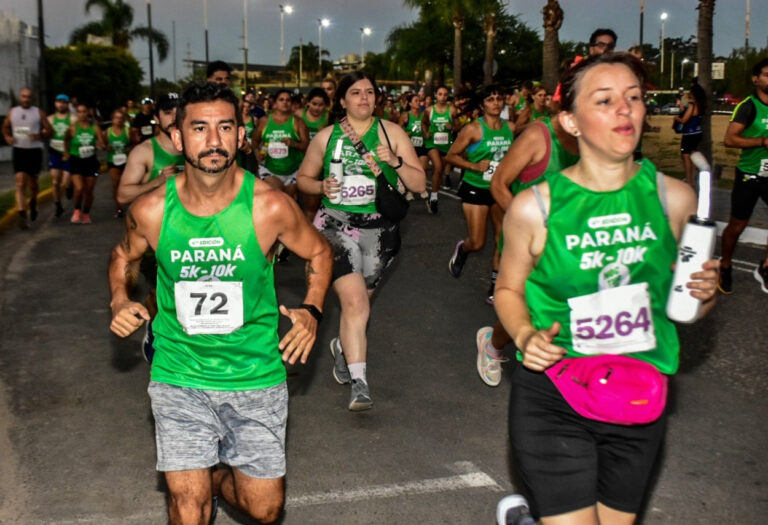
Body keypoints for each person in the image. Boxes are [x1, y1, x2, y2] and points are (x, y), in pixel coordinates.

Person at [494, 52, 718, 524]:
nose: (626, 109)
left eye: (634, 98)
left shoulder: (675, 199)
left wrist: (703, 294)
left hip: (639, 394)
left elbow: (685, 309)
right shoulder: (536, 208)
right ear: (570, 122)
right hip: (556, 391)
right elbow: (508, 289)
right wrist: (524, 336)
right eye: (606, 100)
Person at [108, 81, 333, 525]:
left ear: (241, 135)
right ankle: (192, 482)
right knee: (188, 510)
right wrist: (118, 298)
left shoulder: (269, 207)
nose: (213, 141)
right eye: (199, 128)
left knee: (264, 509)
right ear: (177, 138)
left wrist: (312, 309)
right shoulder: (152, 210)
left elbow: (320, 253)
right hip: (180, 373)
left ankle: (210, 477)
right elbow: (122, 256)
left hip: (255, 374)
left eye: (225, 127)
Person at [297, 71, 426, 410]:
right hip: (335, 226)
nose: (364, 98)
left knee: (361, 303)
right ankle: (360, 383)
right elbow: (303, 180)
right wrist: (321, 186)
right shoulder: (327, 138)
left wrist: (394, 161)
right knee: (356, 303)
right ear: (342, 100)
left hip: (379, 230)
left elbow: (419, 185)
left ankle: (342, 346)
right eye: (355, 93)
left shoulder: (391, 133)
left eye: (369, 92)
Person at [475, 103, 580, 386]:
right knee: (530, 308)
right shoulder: (538, 135)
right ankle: (493, 343)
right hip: (532, 238)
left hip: (573, 238)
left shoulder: (596, 139)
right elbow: (499, 184)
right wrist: (530, 223)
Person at [445, 86, 515, 295]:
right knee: (478, 242)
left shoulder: (510, 128)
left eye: (499, 98)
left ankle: (494, 287)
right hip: (476, 187)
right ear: (482, 105)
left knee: (502, 240)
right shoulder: (474, 129)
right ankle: (463, 249)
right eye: (491, 99)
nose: (496, 103)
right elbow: (451, 156)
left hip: (500, 189)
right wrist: (475, 166)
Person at [719, 57, 768, 294]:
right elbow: (729, 139)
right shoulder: (748, 106)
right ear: (756, 79)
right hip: (750, 175)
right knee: (737, 226)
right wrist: (762, 141)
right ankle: (725, 265)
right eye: (767, 74)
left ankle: (766, 267)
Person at [118, 93, 184, 206]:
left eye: (179, 112)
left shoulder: (197, 148)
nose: (174, 118)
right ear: (156, 118)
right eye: (168, 113)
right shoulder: (144, 151)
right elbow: (123, 196)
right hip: (158, 221)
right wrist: (158, 181)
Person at [1, 87, 52, 229]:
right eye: (23, 96)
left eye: (28, 96)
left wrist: (40, 135)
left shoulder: (38, 112)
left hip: (34, 151)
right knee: (20, 182)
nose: (26, 99)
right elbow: (5, 127)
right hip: (19, 151)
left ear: (32, 98)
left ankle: (34, 201)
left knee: (33, 184)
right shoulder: (13, 112)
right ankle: (22, 214)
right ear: (20, 97)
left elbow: (49, 130)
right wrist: (7, 136)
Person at [253, 88, 309, 199]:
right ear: (274, 103)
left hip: (293, 170)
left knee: (288, 200)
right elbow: (255, 140)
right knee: (277, 197)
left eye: (288, 100)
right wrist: (256, 152)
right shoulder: (264, 121)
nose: (285, 102)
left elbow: (306, 146)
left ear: (291, 103)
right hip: (271, 169)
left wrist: (293, 144)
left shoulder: (298, 122)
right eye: (281, 99)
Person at [63, 102, 105, 224]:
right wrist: (66, 153)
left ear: (88, 113)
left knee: (89, 190)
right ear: (76, 114)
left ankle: (86, 213)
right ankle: (77, 210)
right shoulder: (72, 128)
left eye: (84, 111)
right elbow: (65, 141)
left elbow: (101, 142)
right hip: (76, 160)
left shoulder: (95, 127)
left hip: (91, 161)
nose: (82, 114)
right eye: (79, 112)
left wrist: (100, 145)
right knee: (79, 187)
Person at [422, 85, 458, 214]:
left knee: (440, 170)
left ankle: (433, 194)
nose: (443, 97)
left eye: (445, 94)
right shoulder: (429, 110)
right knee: (437, 167)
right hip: (432, 144)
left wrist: (452, 126)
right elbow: (424, 123)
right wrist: (425, 132)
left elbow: (458, 125)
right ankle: (435, 198)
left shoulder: (452, 110)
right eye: (440, 94)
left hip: (446, 144)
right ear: (436, 95)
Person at [297, 87, 331, 221]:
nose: (317, 108)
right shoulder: (299, 115)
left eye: (321, 105)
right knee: (306, 205)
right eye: (314, 104)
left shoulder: (329, 117)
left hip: (323, 164)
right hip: (303, 163)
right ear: (308, 103)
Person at [674, 80, 706, 187]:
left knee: (686, 156)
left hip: (689, 134)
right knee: (692, 155)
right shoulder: (701, 105)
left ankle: (689, 179)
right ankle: (691, 178)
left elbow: (684, 120)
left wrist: (677, 118)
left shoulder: (692, 105)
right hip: (697, 132)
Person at [399, 92, 430, 195]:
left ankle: (417, 186)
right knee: (410, 169)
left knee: (423, 168)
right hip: (410, 148)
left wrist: (427, 133)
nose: (418, 103)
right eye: (416, 101)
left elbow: (428, 128)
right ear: (410, 104)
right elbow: (398, 130)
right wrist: (404, 133)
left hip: (422, 145)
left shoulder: (424, 115)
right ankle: (408, 188)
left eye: (419, 101)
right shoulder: (405, 116)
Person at [47, 93, 73, 218]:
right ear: (55, 104)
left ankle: (69, 187)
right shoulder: (50, 119)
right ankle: (58, 205)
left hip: (68, 152)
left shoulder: (73, 119)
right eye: (59, 102)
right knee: (55, 181)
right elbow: (45, 132)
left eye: (63, 102)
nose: (61, 104)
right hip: (55, 152)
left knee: (65, 182)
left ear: (67, 104)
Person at [104, 109, 131, 217]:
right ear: (112, 119)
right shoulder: (108, 131)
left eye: (121, 118)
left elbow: (135, 144)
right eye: (116, 118)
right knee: (115, 184)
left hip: (127, 162)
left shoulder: (128, 130)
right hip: (113, 161)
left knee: (127, 184)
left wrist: (129, 149)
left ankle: (130, 204)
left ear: (124, 120)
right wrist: (107, 147)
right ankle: (118, 207)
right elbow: (102, 145)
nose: (118, 120)